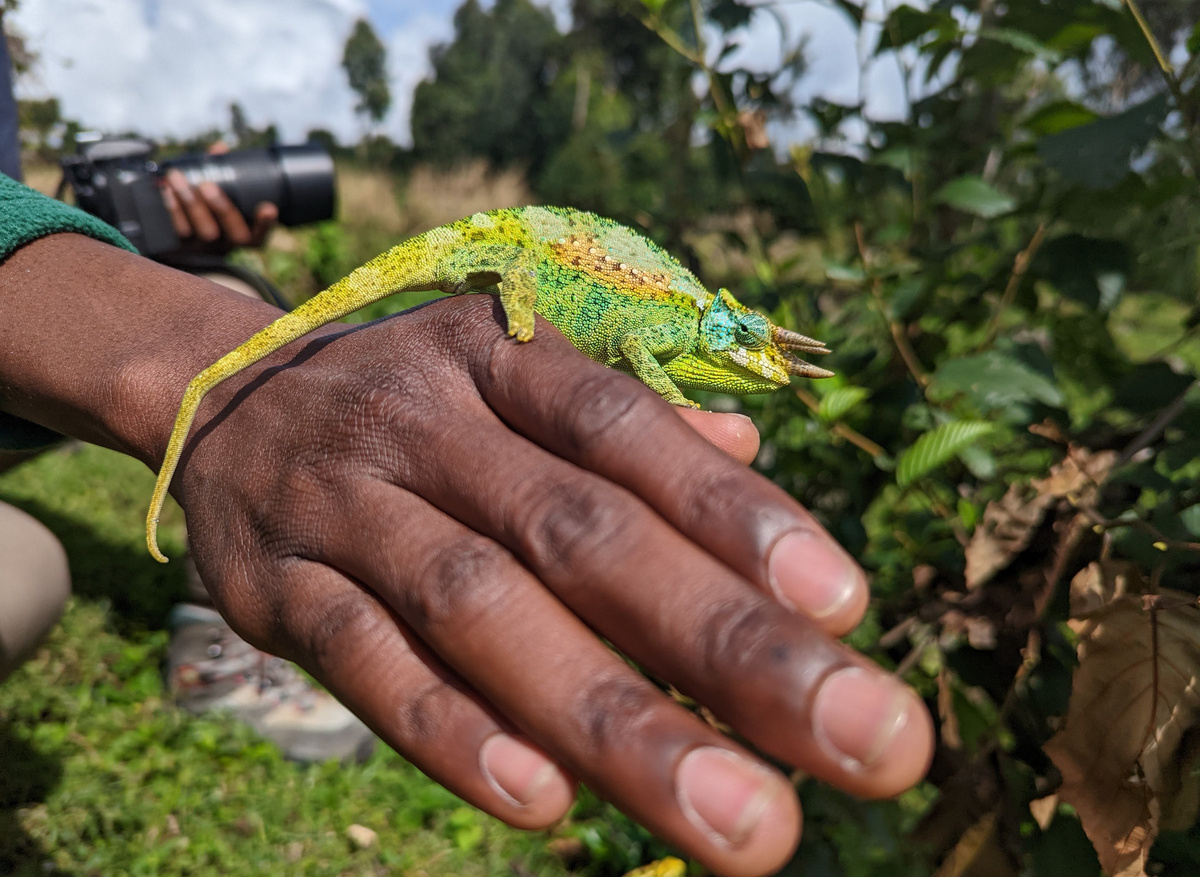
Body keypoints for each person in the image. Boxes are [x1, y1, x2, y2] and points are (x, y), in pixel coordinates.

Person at [0, 34, 933, 877]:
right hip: (508, 251)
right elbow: (645, 353)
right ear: (728, 335)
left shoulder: (696, 316)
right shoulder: (684, 328)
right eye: (754, 351)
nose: (758, 367)